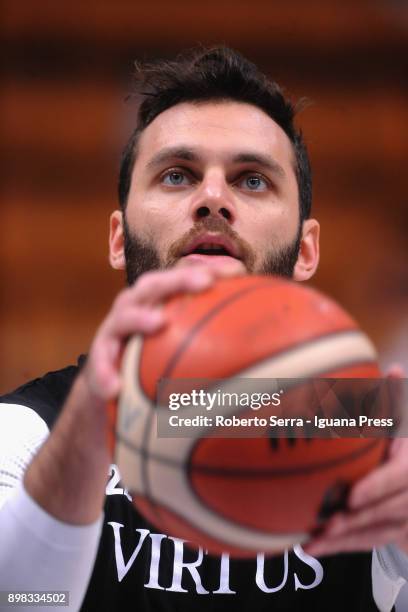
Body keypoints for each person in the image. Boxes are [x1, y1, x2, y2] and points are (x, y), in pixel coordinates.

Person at [0, 46, 407, 612]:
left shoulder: (379, 435)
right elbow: (17, 597)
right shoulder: (26, 434)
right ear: (118, 239)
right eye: (177, 175)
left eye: (253, 181)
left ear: (307, 248)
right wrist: (89, 430)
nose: (212, 198)